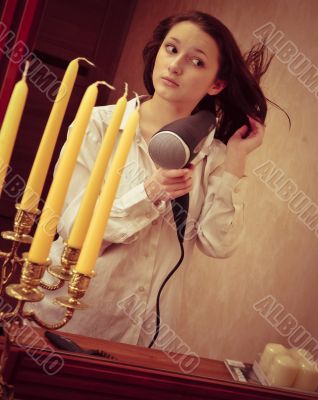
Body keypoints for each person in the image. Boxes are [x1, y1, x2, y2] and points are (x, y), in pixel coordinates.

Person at [34, 10, 270, 351]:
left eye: (197, 62)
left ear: (217, 84)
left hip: (148, 338)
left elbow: (219, 244)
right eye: (171, 49)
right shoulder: (99, 125)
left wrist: (236, 160)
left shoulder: (214, 156)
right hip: (72, 318)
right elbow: (73, 228)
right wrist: (149, 193)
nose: (175, 65)